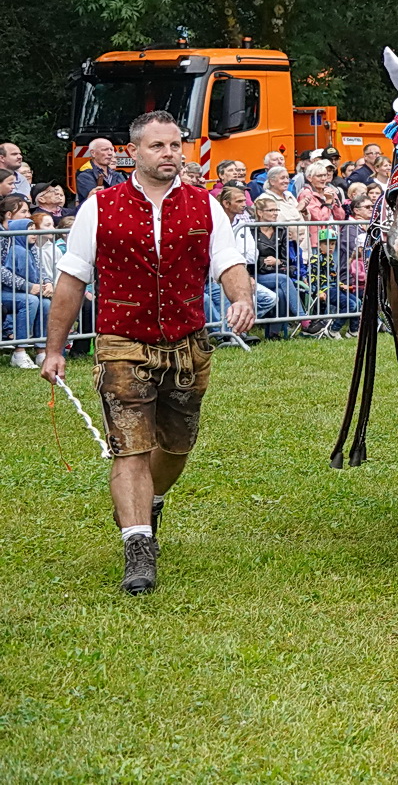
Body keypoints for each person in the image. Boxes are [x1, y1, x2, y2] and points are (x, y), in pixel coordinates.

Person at [40, 110, 254, 595]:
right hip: (122, 343)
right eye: (158, 146)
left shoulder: (205, 205)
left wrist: (241, 297)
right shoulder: (100, 206)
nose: (170, 155)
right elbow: (72, 280)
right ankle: (138, 548)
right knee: (130, 447)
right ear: (131, 153)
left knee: (176, 447)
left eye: (176, 145)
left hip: (187, 345)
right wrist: (55, 350)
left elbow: (228, 261)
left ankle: (149, 503)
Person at [205, 185, 275, 343]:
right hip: (212, 277)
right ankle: (227, 334)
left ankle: (234, 330)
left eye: (245, 200)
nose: (245, 204)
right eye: (239, 201)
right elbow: (215, 254)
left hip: (238, 272)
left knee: (268, 298)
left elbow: (252, 255)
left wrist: (242, 274)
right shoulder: (214, 219)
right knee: (210, 300)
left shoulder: (243, 223)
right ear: (226, 203)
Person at [1, 193, 49, 368]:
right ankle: (19, 351)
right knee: (30, 301)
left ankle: (41, 351)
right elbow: (2, 272)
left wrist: (47, 283)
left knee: (44, 303)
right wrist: (29, 287)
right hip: (5, 291)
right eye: (24, 211)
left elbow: (40, 267)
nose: (28, 215)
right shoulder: (5, 240)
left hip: (23, 290)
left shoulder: (30, 246)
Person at [251, 195, 305, 338]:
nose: (275, 213)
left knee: (280, 293)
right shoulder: (250, 230)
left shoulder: (281, 230)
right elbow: (248, 257)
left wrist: (278, 261)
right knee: (283, 280)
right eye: (271, 210)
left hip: (276, 271)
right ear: (260, 213)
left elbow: (287, 260)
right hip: (255, 274)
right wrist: (263, 261)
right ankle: (304, 320)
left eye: (276, 209)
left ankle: (273, 333)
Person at [76, 137, 127, 204]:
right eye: (105, 150)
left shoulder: (118, 176)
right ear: (93, 153)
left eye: (111, 149)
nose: (110, 153)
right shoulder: (85, 176)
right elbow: (98, 202)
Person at [297, 159, 347, 223]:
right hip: (316, 232)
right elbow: (319, 218)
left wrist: (334, 203)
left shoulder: (330, 191)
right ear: (309, 178)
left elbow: (341, 217)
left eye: (325, 175)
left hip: (333, 231)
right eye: (319, 176)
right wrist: (328, 202)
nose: (323, 179)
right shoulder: (306, 193)